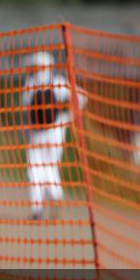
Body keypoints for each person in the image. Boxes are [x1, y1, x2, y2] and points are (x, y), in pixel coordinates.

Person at [21, 51, 85, 221]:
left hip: (36, 133)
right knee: (50, 166)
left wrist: (25, 131)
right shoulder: (58, 82)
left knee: (35, 168)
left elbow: (26, 112)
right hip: (57, 131)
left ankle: (37, 208)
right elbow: (82, 97)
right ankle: (56, 197)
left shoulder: (30, 84)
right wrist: (69, 117)